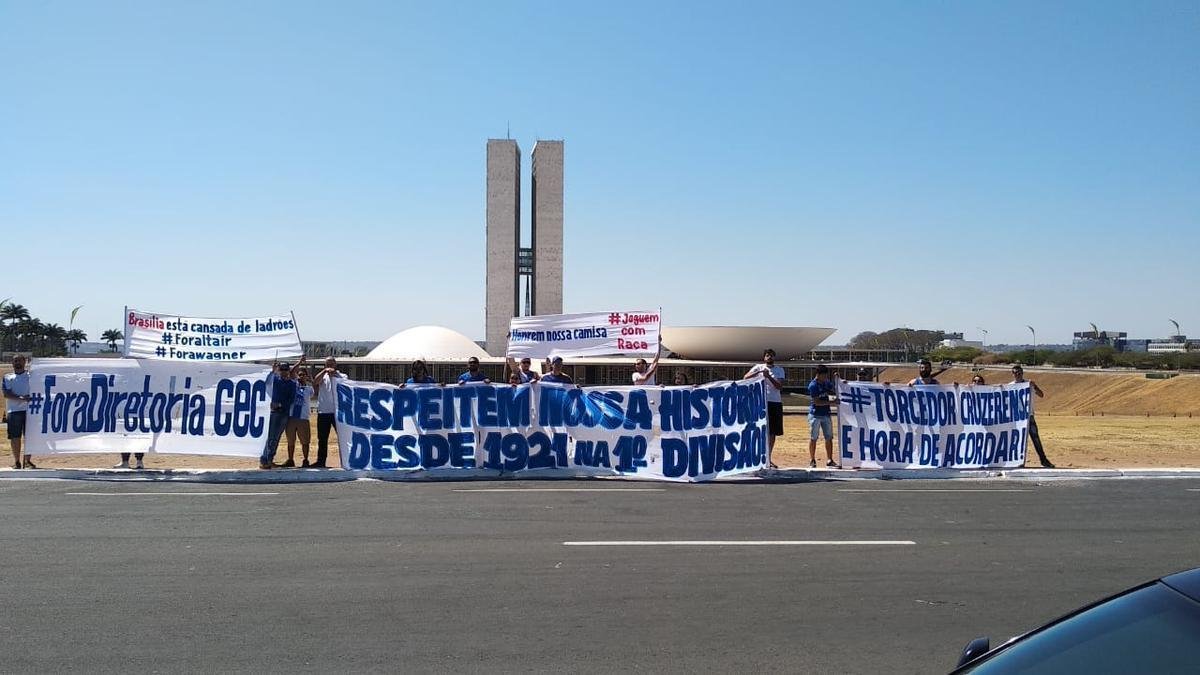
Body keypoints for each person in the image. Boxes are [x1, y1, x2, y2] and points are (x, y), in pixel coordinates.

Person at [743, 348, 785, 469]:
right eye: (767, 355)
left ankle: (768, 457)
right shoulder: (758, 367)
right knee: (759, 429)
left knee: (773, 431)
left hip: (775, 402)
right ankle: (756, 457)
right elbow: (745, 378)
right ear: (764, 357)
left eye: (771, 355)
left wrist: (769, 377)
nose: (769, 357)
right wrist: (759, 373)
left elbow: (779, 386)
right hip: (761, 402)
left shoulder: (779, 370)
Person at [1011, 365, 1055, 468]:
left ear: (1022, 373)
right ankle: (1017, 461)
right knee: (1017, 440)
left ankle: (1043, 460)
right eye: (1015, 373)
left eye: (1019, 373)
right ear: (1012, 374)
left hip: (1029, 417)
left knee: (1036, 439)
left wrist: (1034, 386)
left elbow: (1041, 394)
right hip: (1016, 418)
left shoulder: (1029, 384)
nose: (1018, 375)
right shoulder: (1010, 386)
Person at [260, 360, 299, 470]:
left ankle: (270, 459)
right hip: (274, 413)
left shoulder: (292, 384)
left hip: (283, 413)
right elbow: (266, 383)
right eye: (281, 370)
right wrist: (272, 371)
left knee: (276, 437)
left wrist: (280, 404)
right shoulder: (276, 380)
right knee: (271, 437)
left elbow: (291, 399)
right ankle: (265, 459)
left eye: (285, 370)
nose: (283, 372)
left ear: (288, 371)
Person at [3, 355, 34, 469]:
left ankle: (27, 461)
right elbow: (6, 394)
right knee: (15, 437)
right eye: (15, 361)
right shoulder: (7, 377)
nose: (17, 363)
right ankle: (17, 461)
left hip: (30, 411)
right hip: (14, 411)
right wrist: (22, 398)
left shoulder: (31, 376)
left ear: (25, 362)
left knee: (29, 437)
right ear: (12, 363)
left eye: (20, 361)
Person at [310, 357, 342, 469]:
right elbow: (315, 382)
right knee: (322, 438)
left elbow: (345, 383)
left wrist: (335, 374)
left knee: (342, 437)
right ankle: (321, 461)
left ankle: (346, 460)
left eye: (332, 364)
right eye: (327, 364)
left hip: (338, 412)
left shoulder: (342, 376)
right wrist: (324, 371)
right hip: (323, 411)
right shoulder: (323, 377)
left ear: (335, 364)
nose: (330, 366)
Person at [807, 364, 838, 468]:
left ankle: (830, 459)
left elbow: (833, 390)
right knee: (813, 438)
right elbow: (817, 402)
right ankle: (812, 459)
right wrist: (832, 403)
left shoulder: (826, 383)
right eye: (824, 376)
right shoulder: (813, 385)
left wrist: (838, 380)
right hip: (815, 414)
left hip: (826, 414)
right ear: (818, 375)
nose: (825, 378)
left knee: (829, 437)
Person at [284, 368, 313, 467]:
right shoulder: (293, 386)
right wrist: (300, 362)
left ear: (306, 376)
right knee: (290, 440)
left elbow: (315, 391)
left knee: (305, 441)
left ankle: (305, 460)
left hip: (303, 417)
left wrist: (310, 381)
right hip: (291, 417)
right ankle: (290, 459)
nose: (301, 377)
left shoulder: (309, 389)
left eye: (303, 375)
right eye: (299, 375)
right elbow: (291, 372)